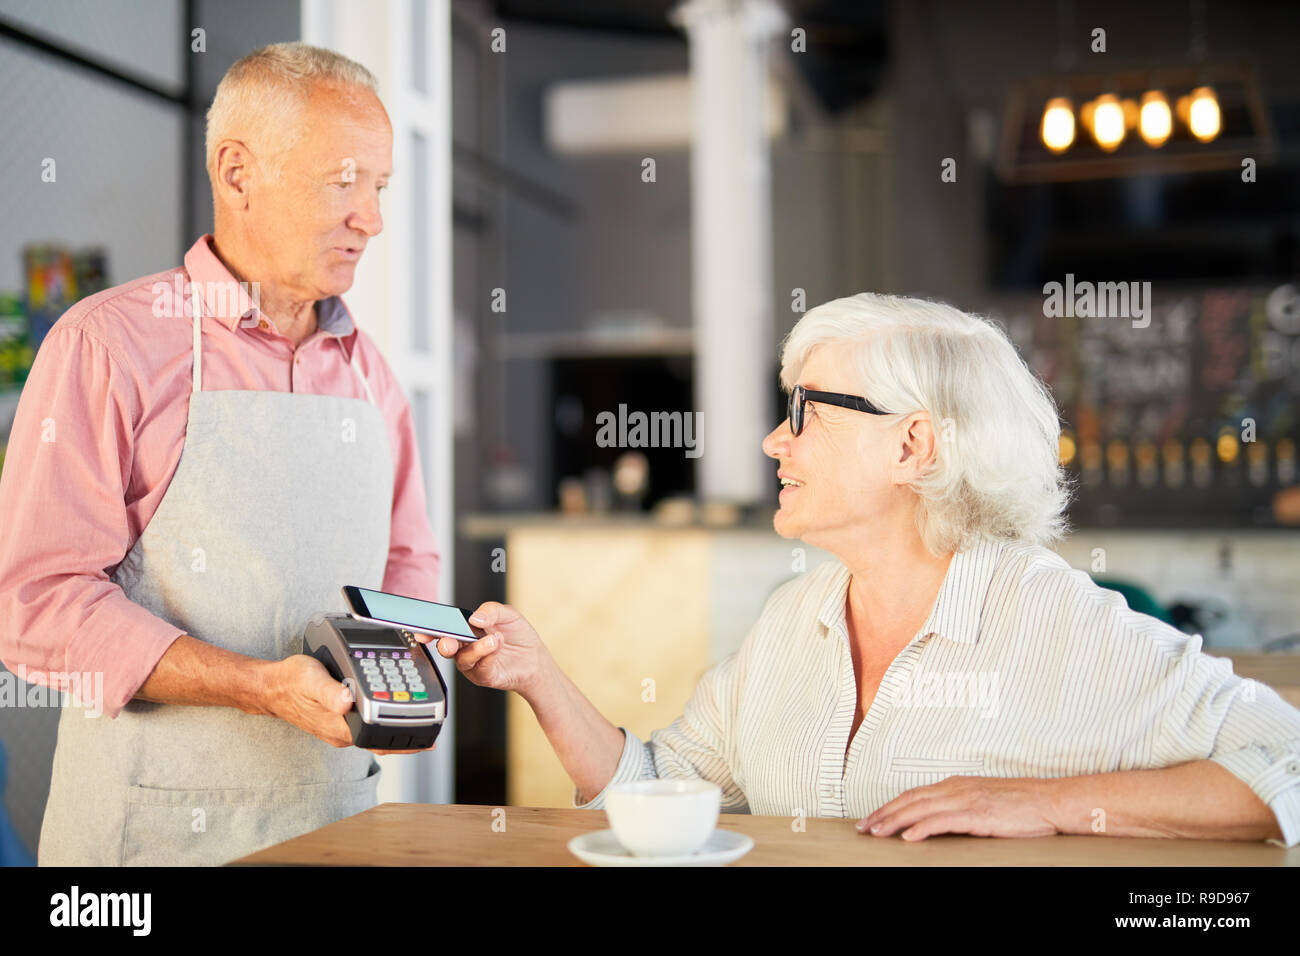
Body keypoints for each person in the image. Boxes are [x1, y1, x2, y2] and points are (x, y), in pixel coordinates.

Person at [435, 293, 1300, 846]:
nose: (777, 440)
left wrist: (1046, 803)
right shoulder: (793, 618)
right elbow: (662, 795)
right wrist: (540, 678)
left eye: (806, 411)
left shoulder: (1051, 618)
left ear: (913, 444)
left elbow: (1286, 765)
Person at [0, 43, 440, 866]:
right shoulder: (106, 346)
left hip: (336, 824)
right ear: (238, 173)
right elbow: (34, 605)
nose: (372, 219)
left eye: (379, 189)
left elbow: (410, 560)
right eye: (344, 181)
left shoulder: (371, 375)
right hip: (147, 841)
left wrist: (412, 660)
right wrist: (258, 686)